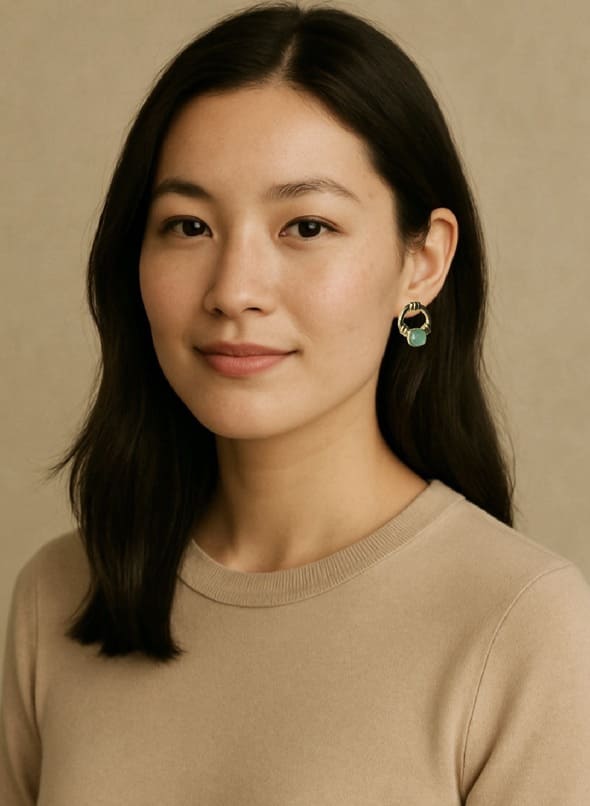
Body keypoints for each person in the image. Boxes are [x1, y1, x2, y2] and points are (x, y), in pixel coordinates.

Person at [2, 2, 590, 803]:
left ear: (423, 262)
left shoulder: (527, 629)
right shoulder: (59, 595)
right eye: (187, 225)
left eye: (306, 226)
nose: (235, 290)